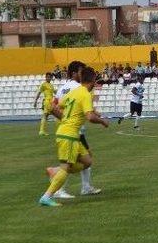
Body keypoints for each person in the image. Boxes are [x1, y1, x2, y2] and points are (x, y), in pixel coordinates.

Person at [39, 67, 109, 207]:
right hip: (69, 135)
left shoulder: (75, 92)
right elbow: (89, 117)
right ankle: (46, 197)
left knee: (87, 161)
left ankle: (55, 171)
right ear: (93, 80)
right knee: (66, 167)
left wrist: (65, 118)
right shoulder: (85, 94)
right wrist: (102, 122)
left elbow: (54, 106)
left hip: (70, 134)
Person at [50, 60, 101, 198]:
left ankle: (85, 186)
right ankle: (60, 186)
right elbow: (84, 108)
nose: (83, 74)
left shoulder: (62, 88)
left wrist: (63, 119)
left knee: (83, 157)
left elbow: (52, 106)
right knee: (75, 160)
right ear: (74, 73)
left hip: (65, 128)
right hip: (73, 130)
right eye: (80, 71)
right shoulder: (79, 88)